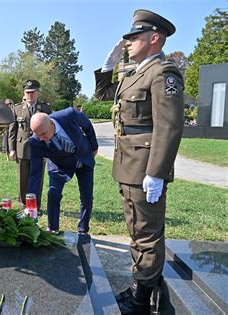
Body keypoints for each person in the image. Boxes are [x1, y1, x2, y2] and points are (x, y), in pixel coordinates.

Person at [94, 9, 184, 313]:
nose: (128, 42)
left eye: (134, 37)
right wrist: (108, 65)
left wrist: (156, 172)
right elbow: (104, 94)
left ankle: (142, 299)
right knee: (136, 232)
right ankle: (141, 289)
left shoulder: (163, 72)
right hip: (128, 166)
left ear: (154, 38)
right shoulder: (136, 72)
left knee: (147, 235)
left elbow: (169, 126)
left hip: (145, 168)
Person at [28, 110, 98, 234]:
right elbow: (35, 174)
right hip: (59, 165)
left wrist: (94, 146)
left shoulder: (68, 115)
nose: (41, 138)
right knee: (53, 193)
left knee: (86, 195)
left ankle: (83, 229)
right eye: (37, 134)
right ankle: (53, 229)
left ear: (51, 123)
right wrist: (31, 201)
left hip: (83, 157)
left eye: (43, 134)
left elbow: (87, 125)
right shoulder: (35, 142)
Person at [8, 80, 52, 208]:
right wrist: (11, 149)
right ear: (24, 93)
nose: (30, 95)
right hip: (22, 148)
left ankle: (35, 205)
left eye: (32, 92)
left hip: (39, 148)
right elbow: (12, 130)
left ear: (37, 93)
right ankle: (23, 204)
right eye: (27, 93)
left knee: (37, 177)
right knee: (23, 178)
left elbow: (50, 130)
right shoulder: (17, 109)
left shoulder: (45, 108)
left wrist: (48, 150)